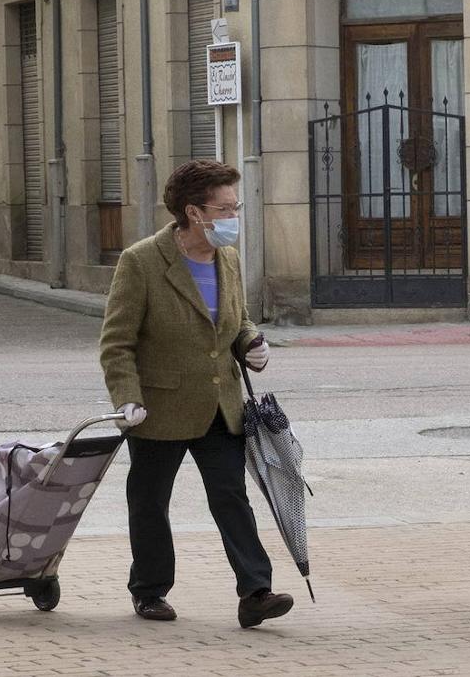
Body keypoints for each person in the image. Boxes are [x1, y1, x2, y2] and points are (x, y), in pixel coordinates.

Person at [99, 159, 294, 629]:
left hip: (219, 406)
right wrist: (126, 397)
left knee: (232, 496)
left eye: (235, 206)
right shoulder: (142, 261)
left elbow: (237, 319)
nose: (233, 216)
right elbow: (116, 342)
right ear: (193, 212)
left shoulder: (227, 257)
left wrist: (251, 342)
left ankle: (256, 592)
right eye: (224, 208)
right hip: (156, 410)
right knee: (149, 502)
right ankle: (149, 590)